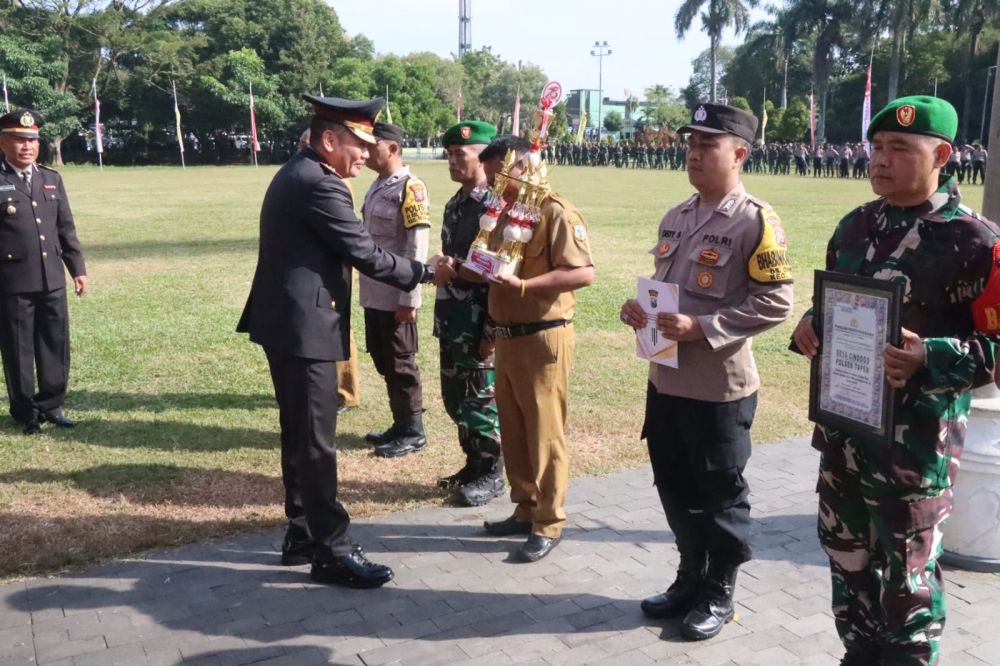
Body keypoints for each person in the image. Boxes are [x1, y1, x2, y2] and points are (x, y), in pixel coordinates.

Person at [790, 96, 1000, 665]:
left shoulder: (976, 242)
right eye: (877, 147)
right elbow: (831, 305)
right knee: (848, 569)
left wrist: (929, 357)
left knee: (906, 586)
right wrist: (812, 326)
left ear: (943, 155)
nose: (880, 160)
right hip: (844, 442)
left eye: (900, 149)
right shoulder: (855, 225)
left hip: (913, 455)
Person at [237, 95, 439, 589]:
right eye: (358, 145)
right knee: (316, 443)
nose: (366, 156)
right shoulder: (318, 184)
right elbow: (367, 254)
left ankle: (303, 531)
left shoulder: (302, 173)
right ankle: (331, 549)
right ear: (330, 140)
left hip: (290, 322)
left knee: (300, 434)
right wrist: (429, 271)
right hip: (304, 328)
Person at [619, 103, 793, 641]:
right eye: (691, 144)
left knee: (720, 494)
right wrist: (640, 311)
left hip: (719, 387)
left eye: (708, 145)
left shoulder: (755, 220)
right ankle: (688, 576)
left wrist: (702, 327)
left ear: (739, 153)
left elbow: (776, 302)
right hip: (666, 380)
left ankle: (718, 590)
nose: (694, 153)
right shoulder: (678, 214)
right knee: (673, 484)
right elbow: (664, 284)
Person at [467, 135, 595, 562]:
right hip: (506, 336)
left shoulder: (555, 211)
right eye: (489, 176)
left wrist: (524, 285)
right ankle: (524, 506)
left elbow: (582, 274)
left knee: (544, 433)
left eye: (498, 174)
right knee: (515, 429)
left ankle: (549, 520)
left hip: (543, 336)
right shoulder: (503, 212)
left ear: (523, 166)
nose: (492, 184)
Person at [431, 120, 506, 507]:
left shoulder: (496, 207)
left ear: (484, 157)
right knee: (455, 398)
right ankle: (474, 463)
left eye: (460, 154)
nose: (452, 161)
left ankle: (493, 470)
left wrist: (491, 332)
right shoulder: (456, 204)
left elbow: (497, 271)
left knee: (480, 398)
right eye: (449, 155)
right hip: (452, 318)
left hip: (479, 319)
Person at [0, 109, 88, 435]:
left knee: (55, 343)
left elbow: (66, 229)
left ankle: (52, 405)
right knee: (19, 348)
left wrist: (77, 269)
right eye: (19, 140)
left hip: (52, 278)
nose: (27, 146)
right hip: (12, 282)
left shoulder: (51, 179)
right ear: (3, 142)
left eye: (32, 140)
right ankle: (26, 413)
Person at [358, 122, 431, 458]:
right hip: (373, 292)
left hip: (396, 295)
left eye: (372, 145)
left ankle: (414, 430)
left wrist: (410, 297)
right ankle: (400, 423)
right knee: (383, 358)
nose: (365, 151)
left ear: (391, 148)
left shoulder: (410, 187)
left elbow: (416, 248)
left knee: (401, 362)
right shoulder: (376, 186)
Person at [299, 128, 360, 413]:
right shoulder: (312, 178)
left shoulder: (332, 182)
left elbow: (350, 239)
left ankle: (344, 392)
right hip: (325, 267)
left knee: (339, 328)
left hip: (337, 266)